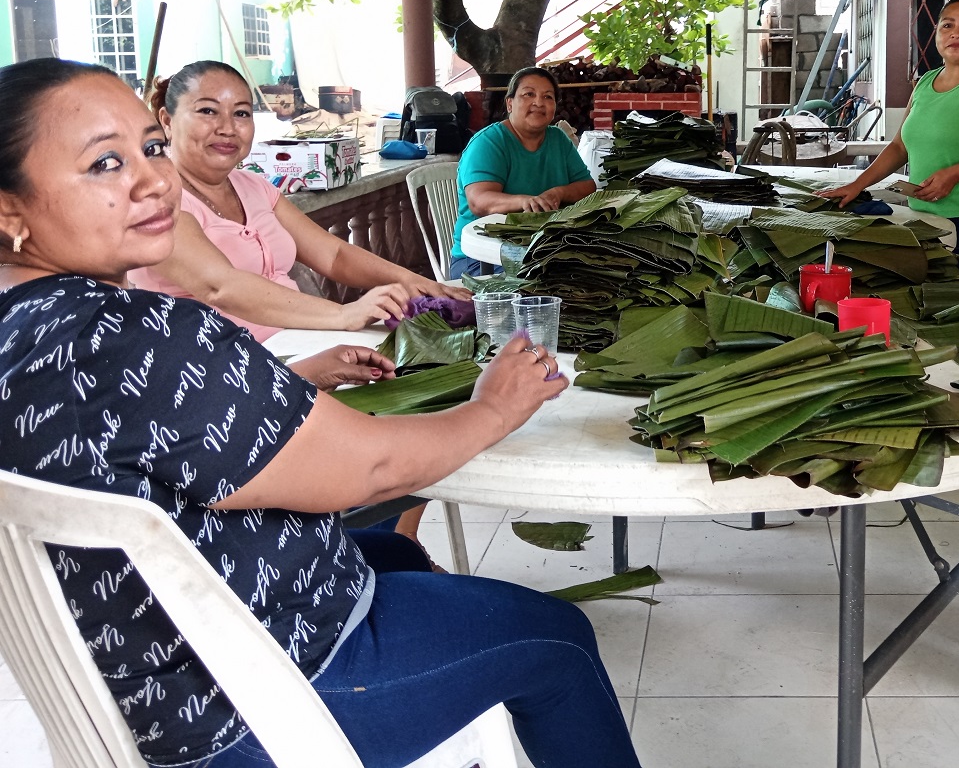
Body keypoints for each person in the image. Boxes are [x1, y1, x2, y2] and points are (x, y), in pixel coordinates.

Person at [0, 58, 641, 768]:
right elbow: (371, 468)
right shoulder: (147, 332)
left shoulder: (25, 328)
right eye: (104, 163)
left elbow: (131, 437)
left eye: (150, 148)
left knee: (396, 553)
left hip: (132, 660)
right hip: (244, 702)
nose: (154, 181)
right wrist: (495, 405)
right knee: (557, 638)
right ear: (8, 207)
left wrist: (290, 377)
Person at [130, 60, 468, 342]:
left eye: (242, 114)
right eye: (207, 111)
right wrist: (345, 314)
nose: (228, 128)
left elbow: (334, 255)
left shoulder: (252, 185)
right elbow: (221, 287)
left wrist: (415, 282)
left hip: (302, 343)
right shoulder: (157, 200)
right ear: (166, 121)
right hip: (225, 373)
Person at [819, 0, 959, 277]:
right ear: (937, 35)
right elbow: (899, 146)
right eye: (947, 25)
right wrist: (858, 185)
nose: (956, 33)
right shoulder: (924, 83)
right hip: (925, 217)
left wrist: (955, 174)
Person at [449, 66, 595, 279]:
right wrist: (526, 202)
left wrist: (558, 193)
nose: (538, 102)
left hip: (539, 251)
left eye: (548, 96)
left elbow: (587, 187)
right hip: (480, 260)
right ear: (510, 103)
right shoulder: (489, 142)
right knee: (557, 279)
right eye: (528, 94)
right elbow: (480, 202)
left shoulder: (558, 140)